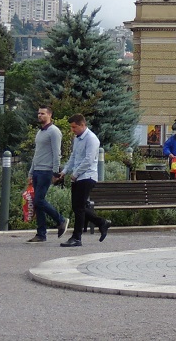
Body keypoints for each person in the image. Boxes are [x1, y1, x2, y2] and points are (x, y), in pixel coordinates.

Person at [54, 114, 109, 247]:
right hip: (78, 177)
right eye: (71, 127)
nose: (72, 130)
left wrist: (75, 173)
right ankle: (102, 223)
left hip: (87, 177)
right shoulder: (77, 138)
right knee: (78, 207)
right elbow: (73, 157)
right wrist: (64, 171)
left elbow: (88, 160)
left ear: (82, 125)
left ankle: (76, 237)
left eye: (74, 127)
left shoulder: (92, 139)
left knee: (79, 208)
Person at [26, 106, 67, 242]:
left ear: (49, 115)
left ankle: (60, 220)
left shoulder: (54, 132)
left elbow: (57, 153)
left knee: (39, 200)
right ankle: (41, 233)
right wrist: (31, 172)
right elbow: (37, 154)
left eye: (42, 113)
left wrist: (55, 172)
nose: (39, 115)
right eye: (38, 113)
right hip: (37, 170)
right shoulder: (40, 132)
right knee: (37, 203)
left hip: (46, 171)